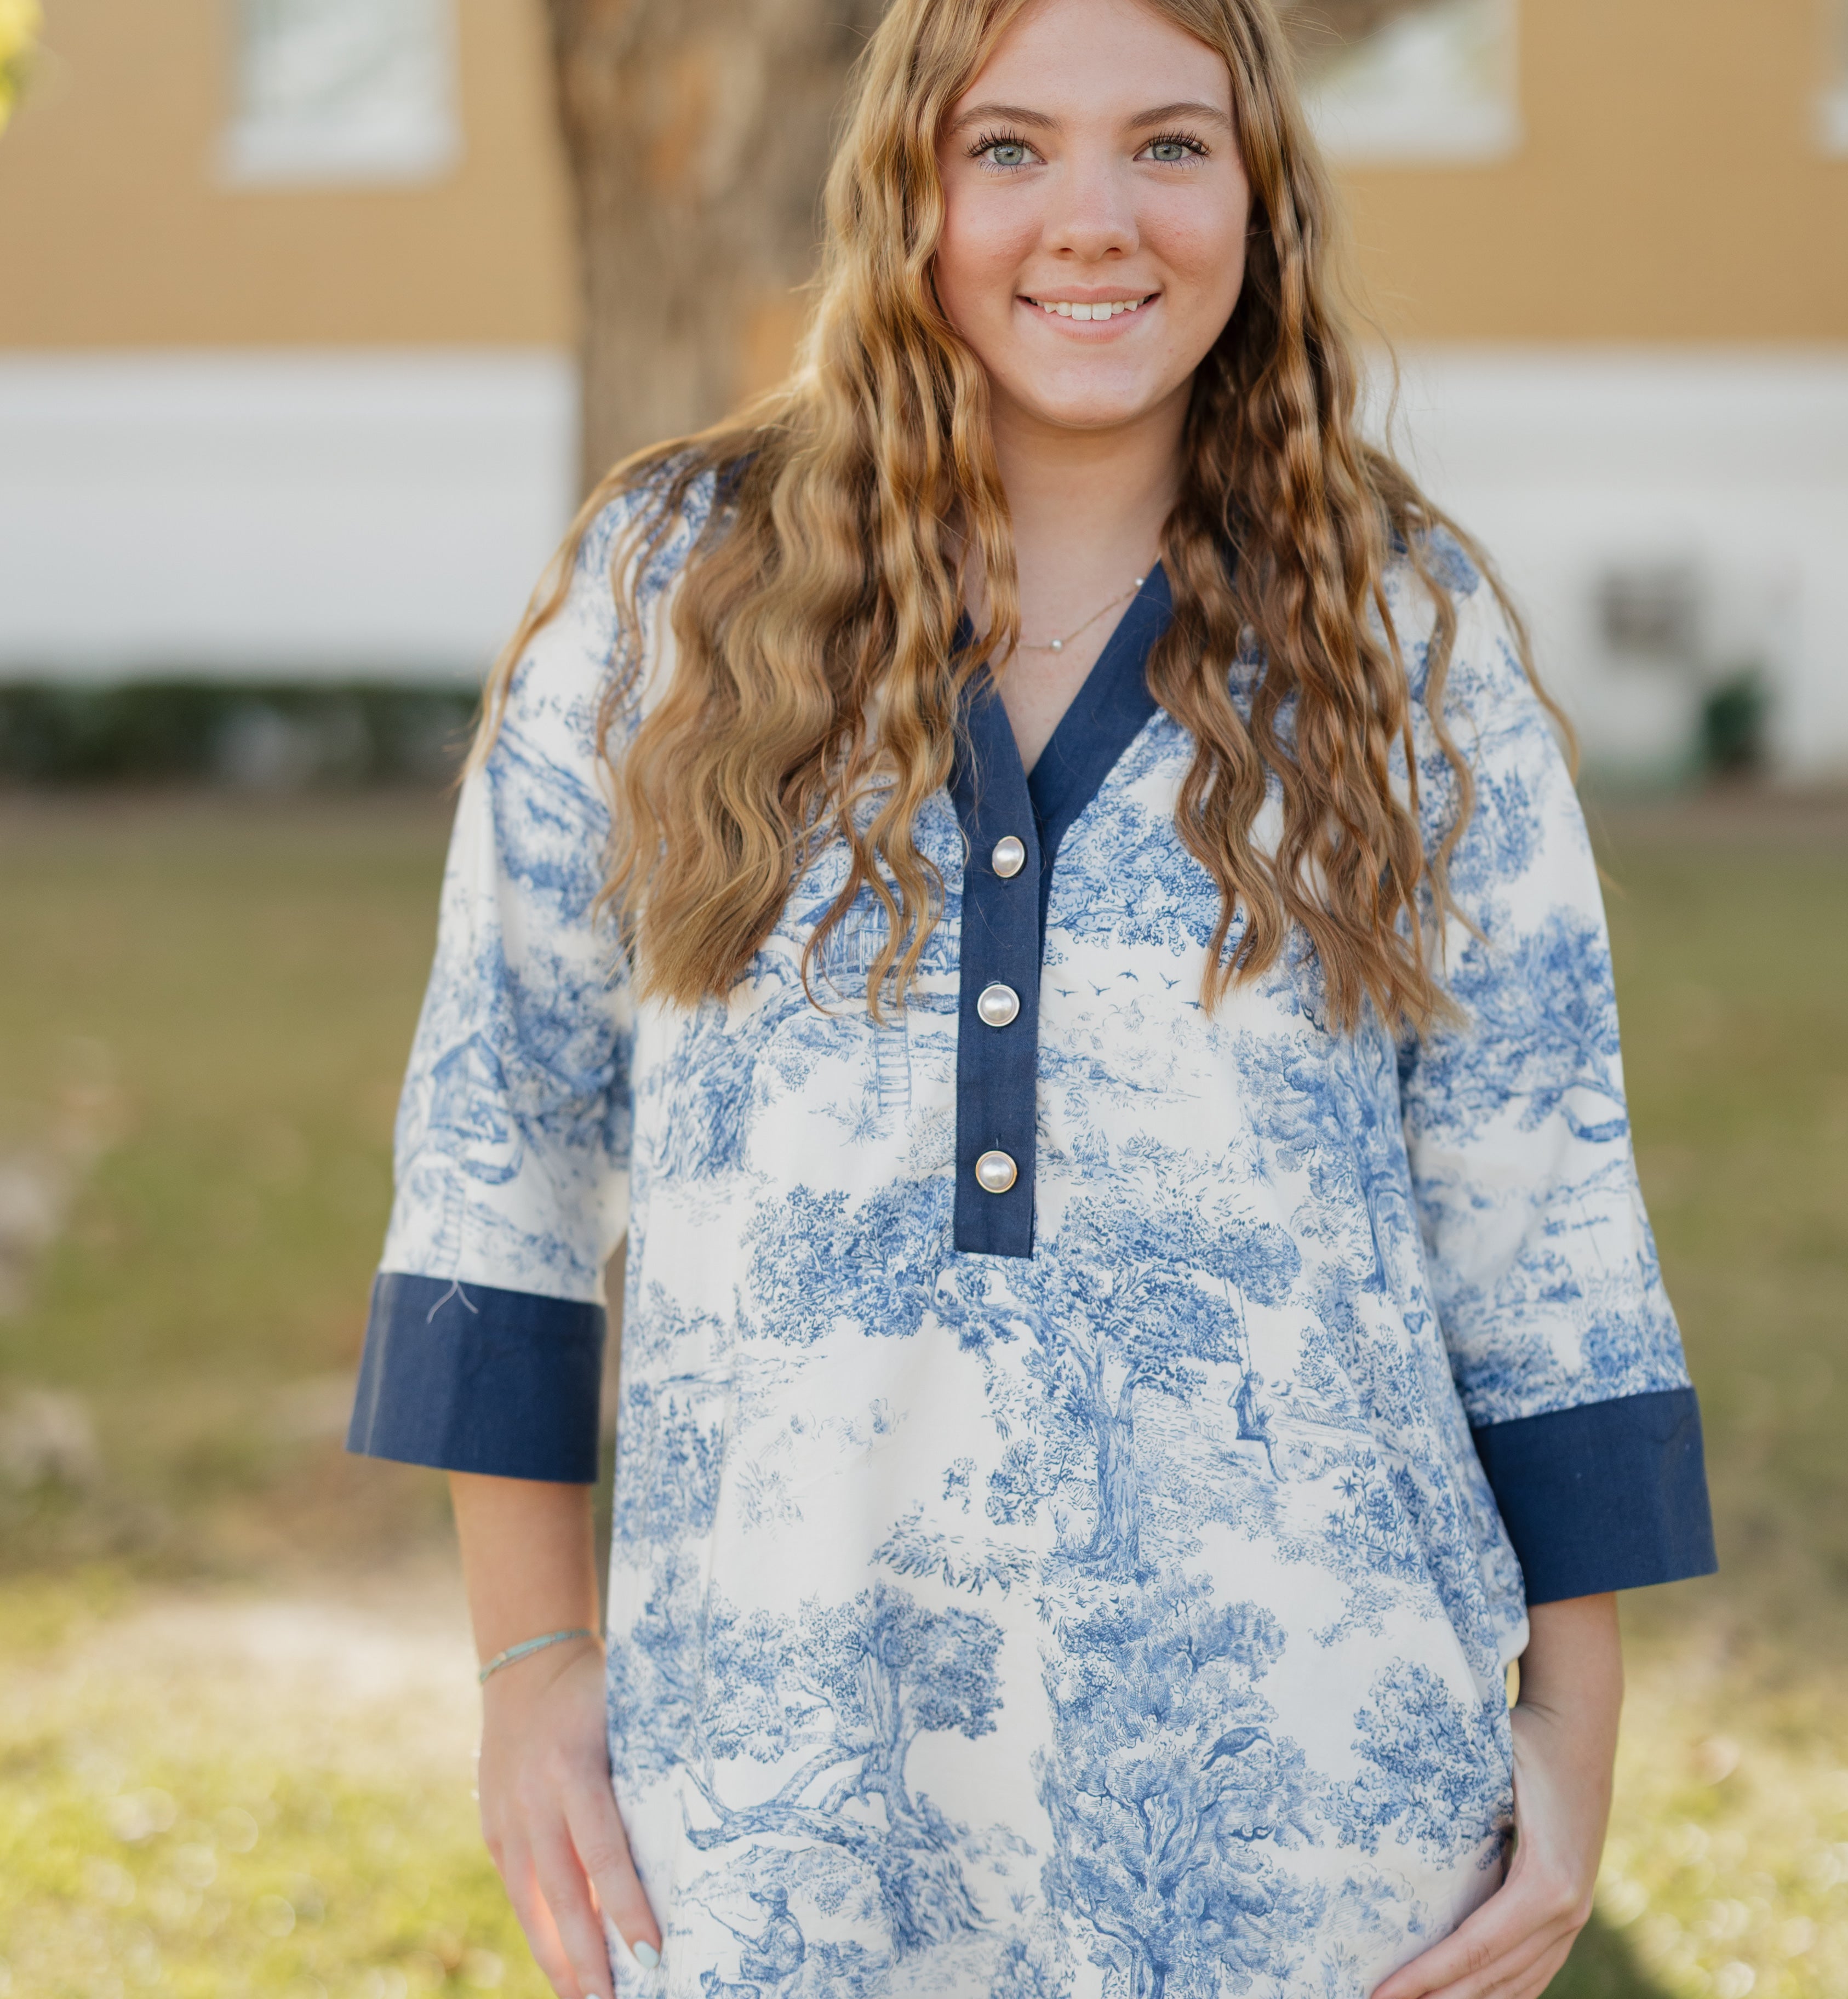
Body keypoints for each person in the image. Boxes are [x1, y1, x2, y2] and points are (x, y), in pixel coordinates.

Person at [345, 0, 1716, 1994]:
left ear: (1261, 196)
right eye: (1009, 150)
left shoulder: (1407, 642)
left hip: (1310, 1810)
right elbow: (502, 1152)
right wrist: (533, 1657)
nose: (1095, 217)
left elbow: (1547, 1221)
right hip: (776, 1792)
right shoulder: (671, 597)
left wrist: (1573, 1736)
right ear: (908, 188)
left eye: (1170, 144)